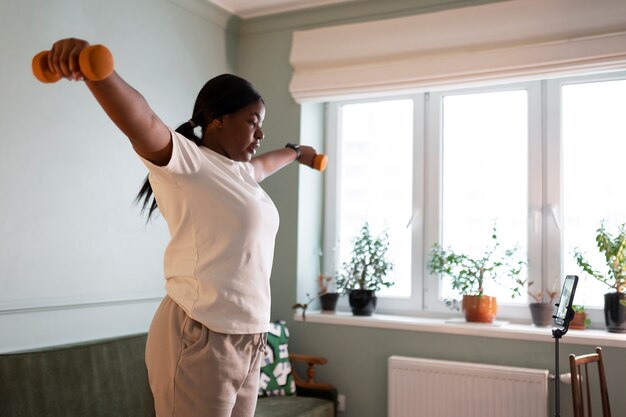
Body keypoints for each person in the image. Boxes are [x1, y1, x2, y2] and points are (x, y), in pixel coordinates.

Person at [44, 38, 322, 417]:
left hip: (250, 339)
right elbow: (142, 121)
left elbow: (267, 163)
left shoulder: (240, 173)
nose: (260, 135)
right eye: (253, 122)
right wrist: (97, 72)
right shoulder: (189, 162)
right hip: (201, 333)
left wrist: (297, 153)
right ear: (219, 120)